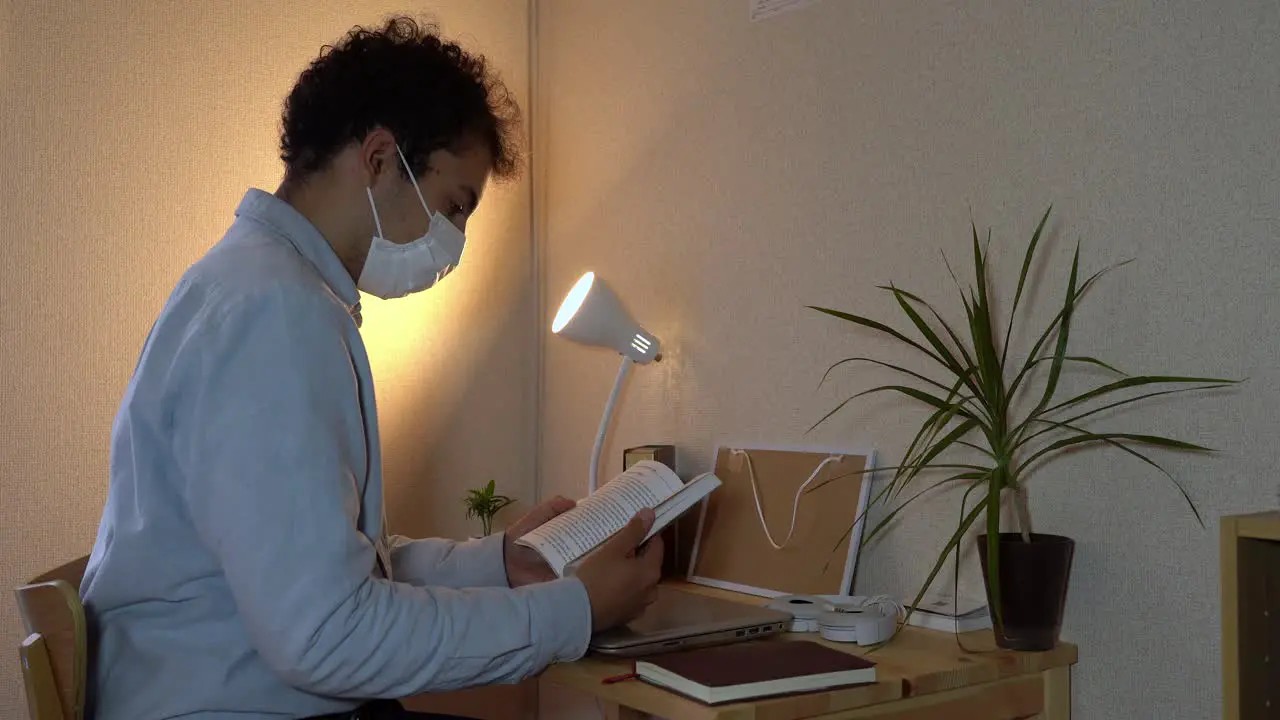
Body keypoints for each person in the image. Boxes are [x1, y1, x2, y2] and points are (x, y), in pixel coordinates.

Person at [78, 15, 664, 720]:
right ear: (381, 158)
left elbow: (329, 569)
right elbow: (329, 634)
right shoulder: (275, 316)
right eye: (454, 207)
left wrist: (501, 562)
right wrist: (573, 611)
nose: (455, 244)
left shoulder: (250, 286)